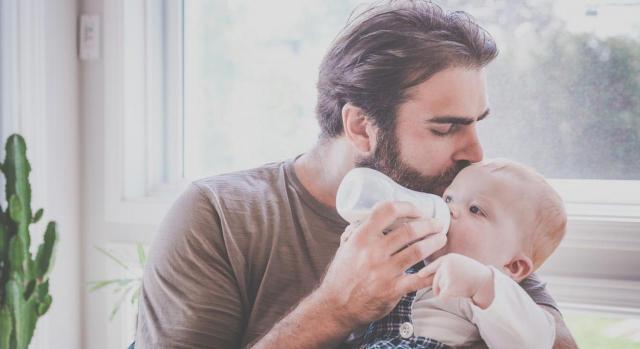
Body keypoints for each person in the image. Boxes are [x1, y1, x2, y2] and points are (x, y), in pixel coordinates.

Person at [133, 1, 578, 348]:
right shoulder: (221, 216)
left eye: (478, 121)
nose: (476, 151)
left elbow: (548, 336)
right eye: (446, 127)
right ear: (362, 126)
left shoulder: (459, 211)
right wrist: (335, 308)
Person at [359, 160, 567, 349]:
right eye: (448, 198)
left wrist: (482, 283)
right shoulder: (405, 260)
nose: (450, 209)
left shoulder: (482, 295)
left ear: (513, 266)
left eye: (475, 209)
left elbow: (537, 342)